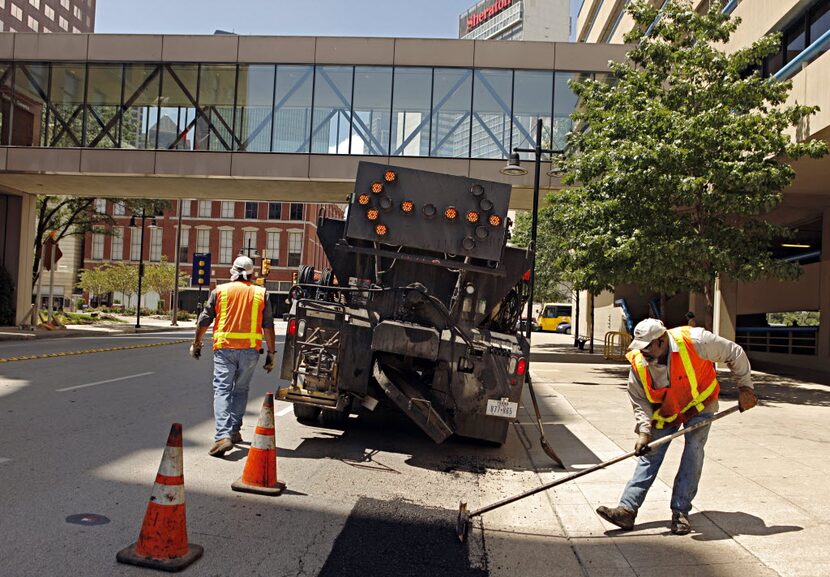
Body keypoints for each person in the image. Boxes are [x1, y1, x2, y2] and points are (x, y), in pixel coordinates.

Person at [596, 318, 757, 535]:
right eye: (640, 347)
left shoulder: (696, 340)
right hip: (667, 411)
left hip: (700, 403)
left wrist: (745, 387)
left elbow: (734, 352)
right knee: (649, 454)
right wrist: (644, 432)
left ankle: (680, 512)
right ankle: (627, 509)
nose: (643, 352)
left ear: (661, 341)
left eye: (647, 347)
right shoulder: (639, 362)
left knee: (694, 450)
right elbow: (639, 400)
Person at [189, 255, 277, 458]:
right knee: (241, 390)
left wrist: (197, 343)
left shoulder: (220, 291)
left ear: (233, 272)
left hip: (225, 349)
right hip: (250, 351)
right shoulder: (261, 293)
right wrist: (271, 353)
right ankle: (234, 430)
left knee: (222, 390)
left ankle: (223, 436)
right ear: (252, 273)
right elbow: (268, 325)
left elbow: (205, 319)